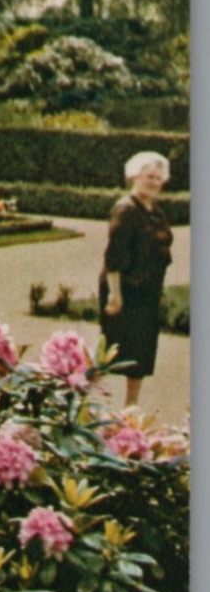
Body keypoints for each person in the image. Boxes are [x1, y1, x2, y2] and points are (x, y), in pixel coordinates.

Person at [98, 151, 173, 407]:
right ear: (134, 176)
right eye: (148, 176)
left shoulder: (155, 210)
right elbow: (114, 255)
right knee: (110, 350)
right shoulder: (126, 208)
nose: (153, 182)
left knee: (140, 353)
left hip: (147, 292)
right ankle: (87, 400)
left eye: (158, 177)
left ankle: (130, 408)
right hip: (125, 290)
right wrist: (114, 294)